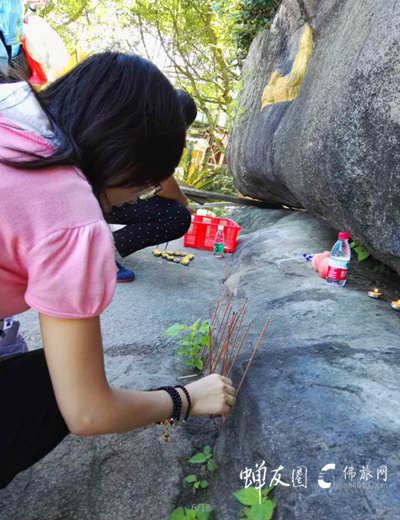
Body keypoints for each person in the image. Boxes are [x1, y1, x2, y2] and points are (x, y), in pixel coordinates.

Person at [0, 52, 236, 489]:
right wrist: (184, 397)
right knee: (51, 383)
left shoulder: (12, 104)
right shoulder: (70, 213)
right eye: (138, 186)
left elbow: (175, 207)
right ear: (128, 154)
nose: (130, 201)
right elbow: (87, 410)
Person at [110, 89, 197, 282]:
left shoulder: (136, 119)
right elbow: (165, 184)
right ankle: (96, 251)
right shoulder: (147, 132)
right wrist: (184, 202)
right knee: (178, 216)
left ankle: (99, 244)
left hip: (98, 197)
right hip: (84, 197)